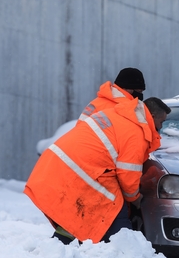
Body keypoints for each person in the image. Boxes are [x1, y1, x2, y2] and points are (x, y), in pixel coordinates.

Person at [24, 97, 170, 244]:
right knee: (113, 209)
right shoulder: (136, 133)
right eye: (161, 122)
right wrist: (136, 198)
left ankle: (59, 245)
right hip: (85, 170)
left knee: (77, 215)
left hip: (64, 164)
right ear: (152, 116)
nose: (160, 127)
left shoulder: (119, 114)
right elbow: (128, 175)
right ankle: (123, 250)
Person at [79, 67, 147, 121]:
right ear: (127, 88)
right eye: (139, 91)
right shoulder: (121, 108)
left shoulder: (96, 103)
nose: (140, 95)